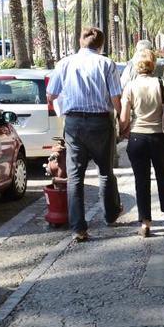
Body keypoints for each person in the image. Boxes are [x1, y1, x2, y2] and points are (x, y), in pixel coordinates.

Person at [46, 27, 124, 242]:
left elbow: (51, 94)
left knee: (75, 177)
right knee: (105, 171)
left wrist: (63, 113)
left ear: (81, 41)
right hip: (100, 122)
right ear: (101, 44)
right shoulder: (107, 64)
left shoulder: (64, 64)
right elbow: (116, 96)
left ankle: (79, 228)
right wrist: (120, 118)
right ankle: (110, 215)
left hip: (74, 124)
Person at [118, 49, 164, 237]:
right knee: (163, 174)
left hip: (137, 137)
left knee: (141, 180)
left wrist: (124, 132)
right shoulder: (163, 83)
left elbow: (124, 116)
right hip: (160, 137)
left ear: (137, 66)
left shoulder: (130, 86)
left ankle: (145, 222)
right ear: (153, 64)